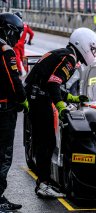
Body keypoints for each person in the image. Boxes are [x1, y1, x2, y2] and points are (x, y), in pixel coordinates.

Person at [24, 27, 96, 198]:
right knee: (47, 142)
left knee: (44, 143)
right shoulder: (69, 58)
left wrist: (73, 99)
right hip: (39, 100)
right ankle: (43, 185)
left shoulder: (64, 54)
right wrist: (61, 107)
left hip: (36, 97)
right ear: (83, 44)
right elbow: (53, 83)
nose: (93, 52)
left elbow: (52, 84)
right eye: (92, 48)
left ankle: (43, 183)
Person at [0, 12, 29, 212]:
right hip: (4, 110)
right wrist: (23, 99)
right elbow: (13, 80)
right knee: (3, 154)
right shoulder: (6, 50)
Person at [13, 11, 34, 76]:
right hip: (22, 45)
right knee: (23, 58)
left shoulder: (13, 25)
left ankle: (20, 71)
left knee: (17, 58)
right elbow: (32, 33)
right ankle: (27, 71)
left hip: (15, 44)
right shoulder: (25, 26)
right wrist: (29, 41)